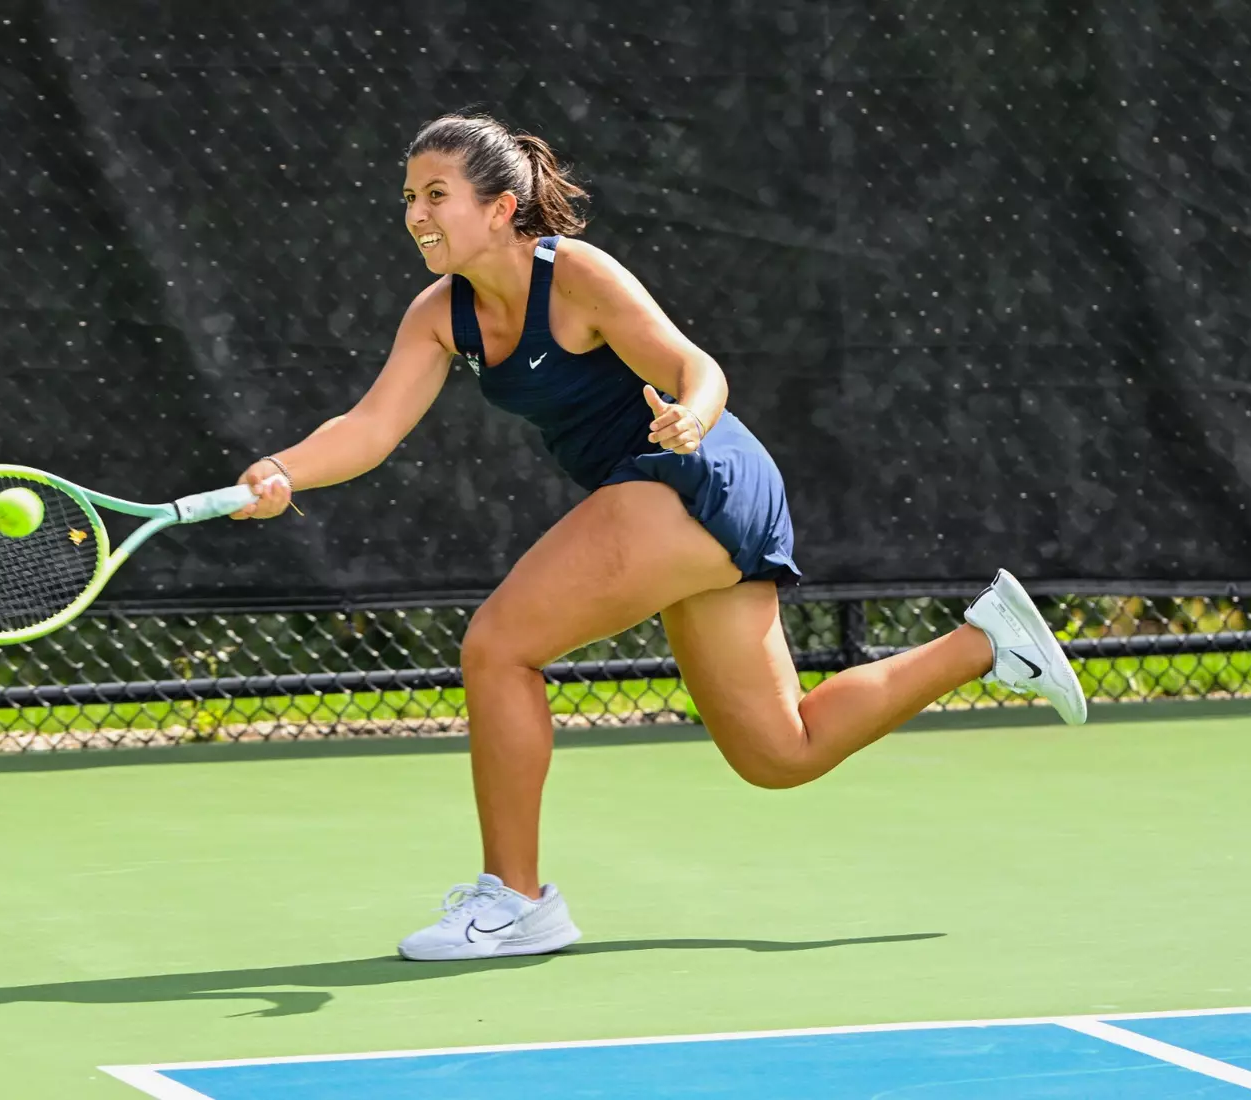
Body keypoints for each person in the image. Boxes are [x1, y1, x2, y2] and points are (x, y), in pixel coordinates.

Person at [230, 113, 1088, 962]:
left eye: (436, 195)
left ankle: (517, 901)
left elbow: (694, 368)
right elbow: (371, 427)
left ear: (499, 207)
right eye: (409, 196)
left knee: (497, 648)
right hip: (671, 500)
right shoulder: (438, 314)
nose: (416, 214)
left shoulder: (574, 276)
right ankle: (987, 641)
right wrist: (282, 470)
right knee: (781, 753)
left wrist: (690, 419)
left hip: (692, 473)